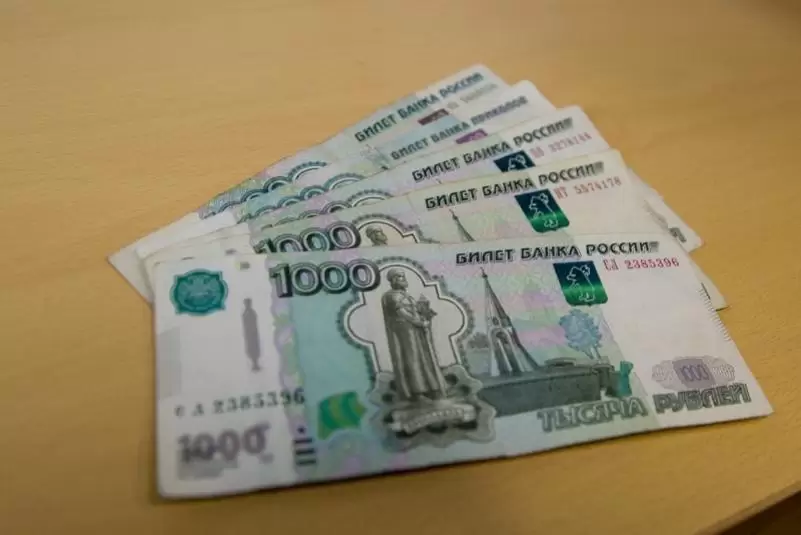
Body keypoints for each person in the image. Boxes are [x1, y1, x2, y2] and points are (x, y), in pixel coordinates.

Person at [380, 269, 446, 401]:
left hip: (416, 331)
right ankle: (418, 392)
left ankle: (432, 388)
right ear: (393, 280)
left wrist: (424, 318)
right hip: (405, 332)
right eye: (400, 277)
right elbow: (402, 313)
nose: (403, 279)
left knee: (423, 359)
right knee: (412, 359)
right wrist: (419, 322)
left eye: (403, 276)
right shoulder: (391, 296)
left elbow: (415, 311)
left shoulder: (406, 295)